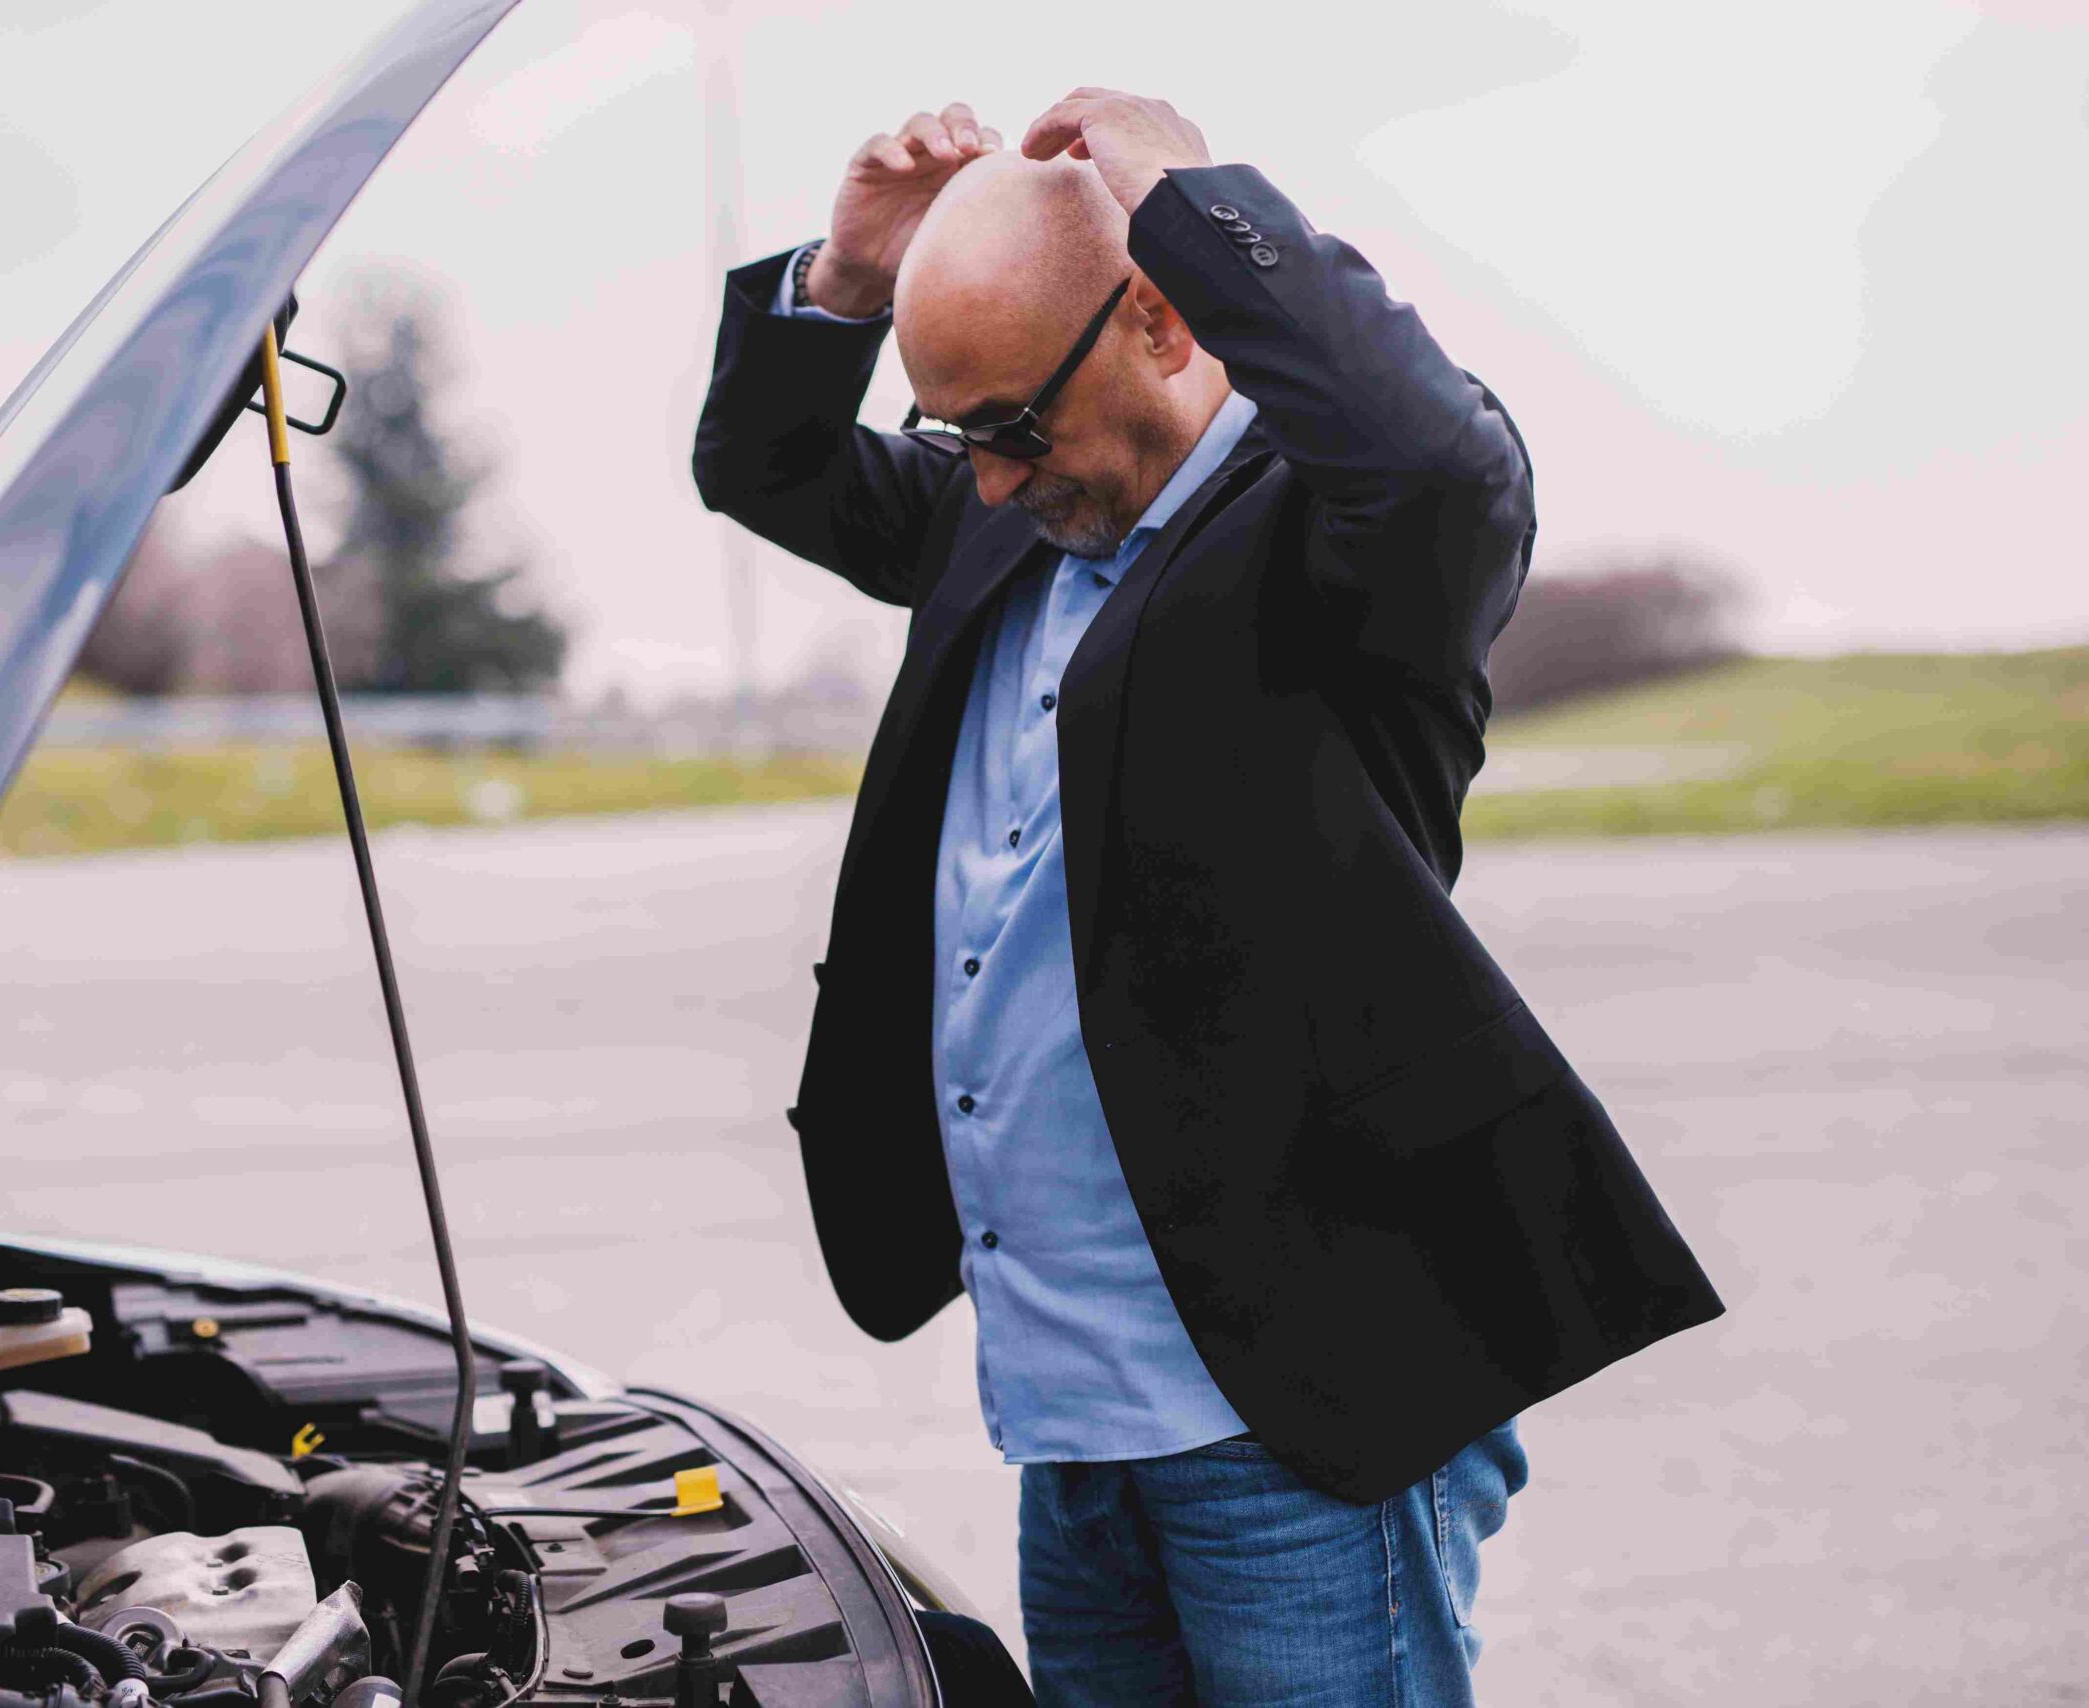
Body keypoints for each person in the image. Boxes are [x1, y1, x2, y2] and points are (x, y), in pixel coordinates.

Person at [691, 91, 1725, 1705]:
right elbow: (762, 465)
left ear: (1163, 324)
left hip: (1291, 1406)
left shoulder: (1345, 545)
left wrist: (1191, 194)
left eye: (1008, 428)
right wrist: (842, 277)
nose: (979, 477)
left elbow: (1435, 457)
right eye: (956, 433)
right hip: (1070, 1409)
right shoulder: (1008, 521)